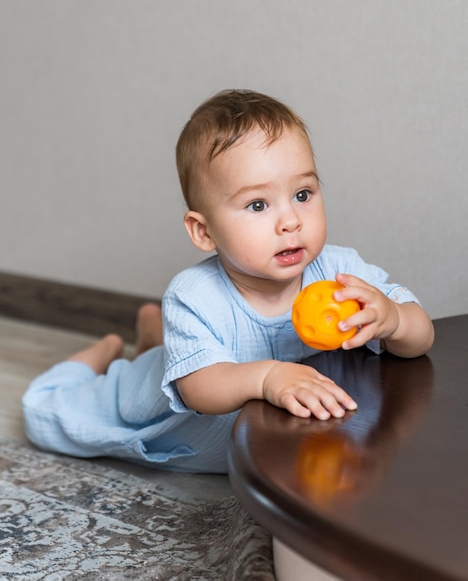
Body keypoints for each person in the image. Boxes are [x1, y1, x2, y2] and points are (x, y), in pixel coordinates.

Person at [22, 89, 434, 473]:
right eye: (258, 204)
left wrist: (394, 318)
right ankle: (104, 351)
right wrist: (269, 377)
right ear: (204, 232)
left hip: (268, 444)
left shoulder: (342, 272)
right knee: (41, 416)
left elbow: (422, 336)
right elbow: (200, 387)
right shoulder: (194, 296)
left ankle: (155, 339)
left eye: (303, 194)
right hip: (159, 408)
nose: (290, 221)